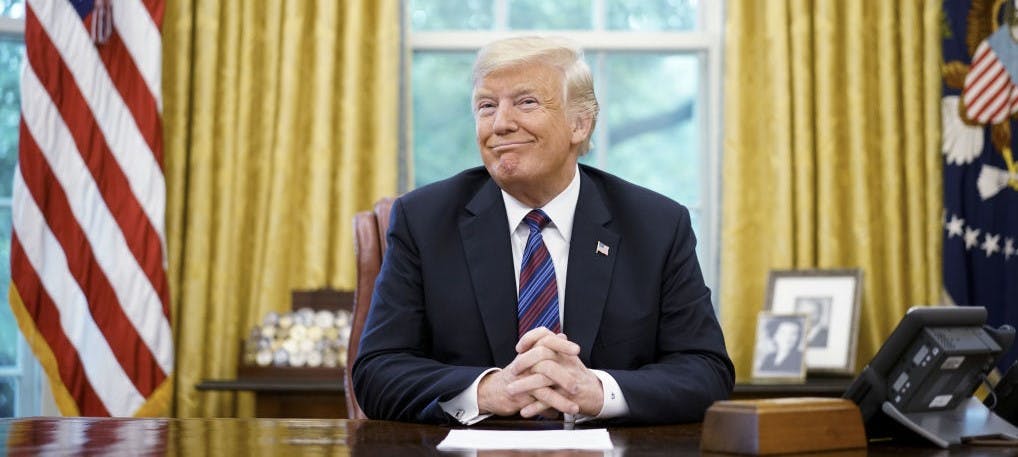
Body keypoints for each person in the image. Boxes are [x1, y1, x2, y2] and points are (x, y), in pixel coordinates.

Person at [352, 36, 734, 425]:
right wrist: (489, 390)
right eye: (487, 106)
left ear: (579, 124)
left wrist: (597, 391)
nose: (500, 124)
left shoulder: (656, 226)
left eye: (526, 102)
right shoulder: (424, 221)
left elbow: (706, 372)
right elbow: (376, 371)